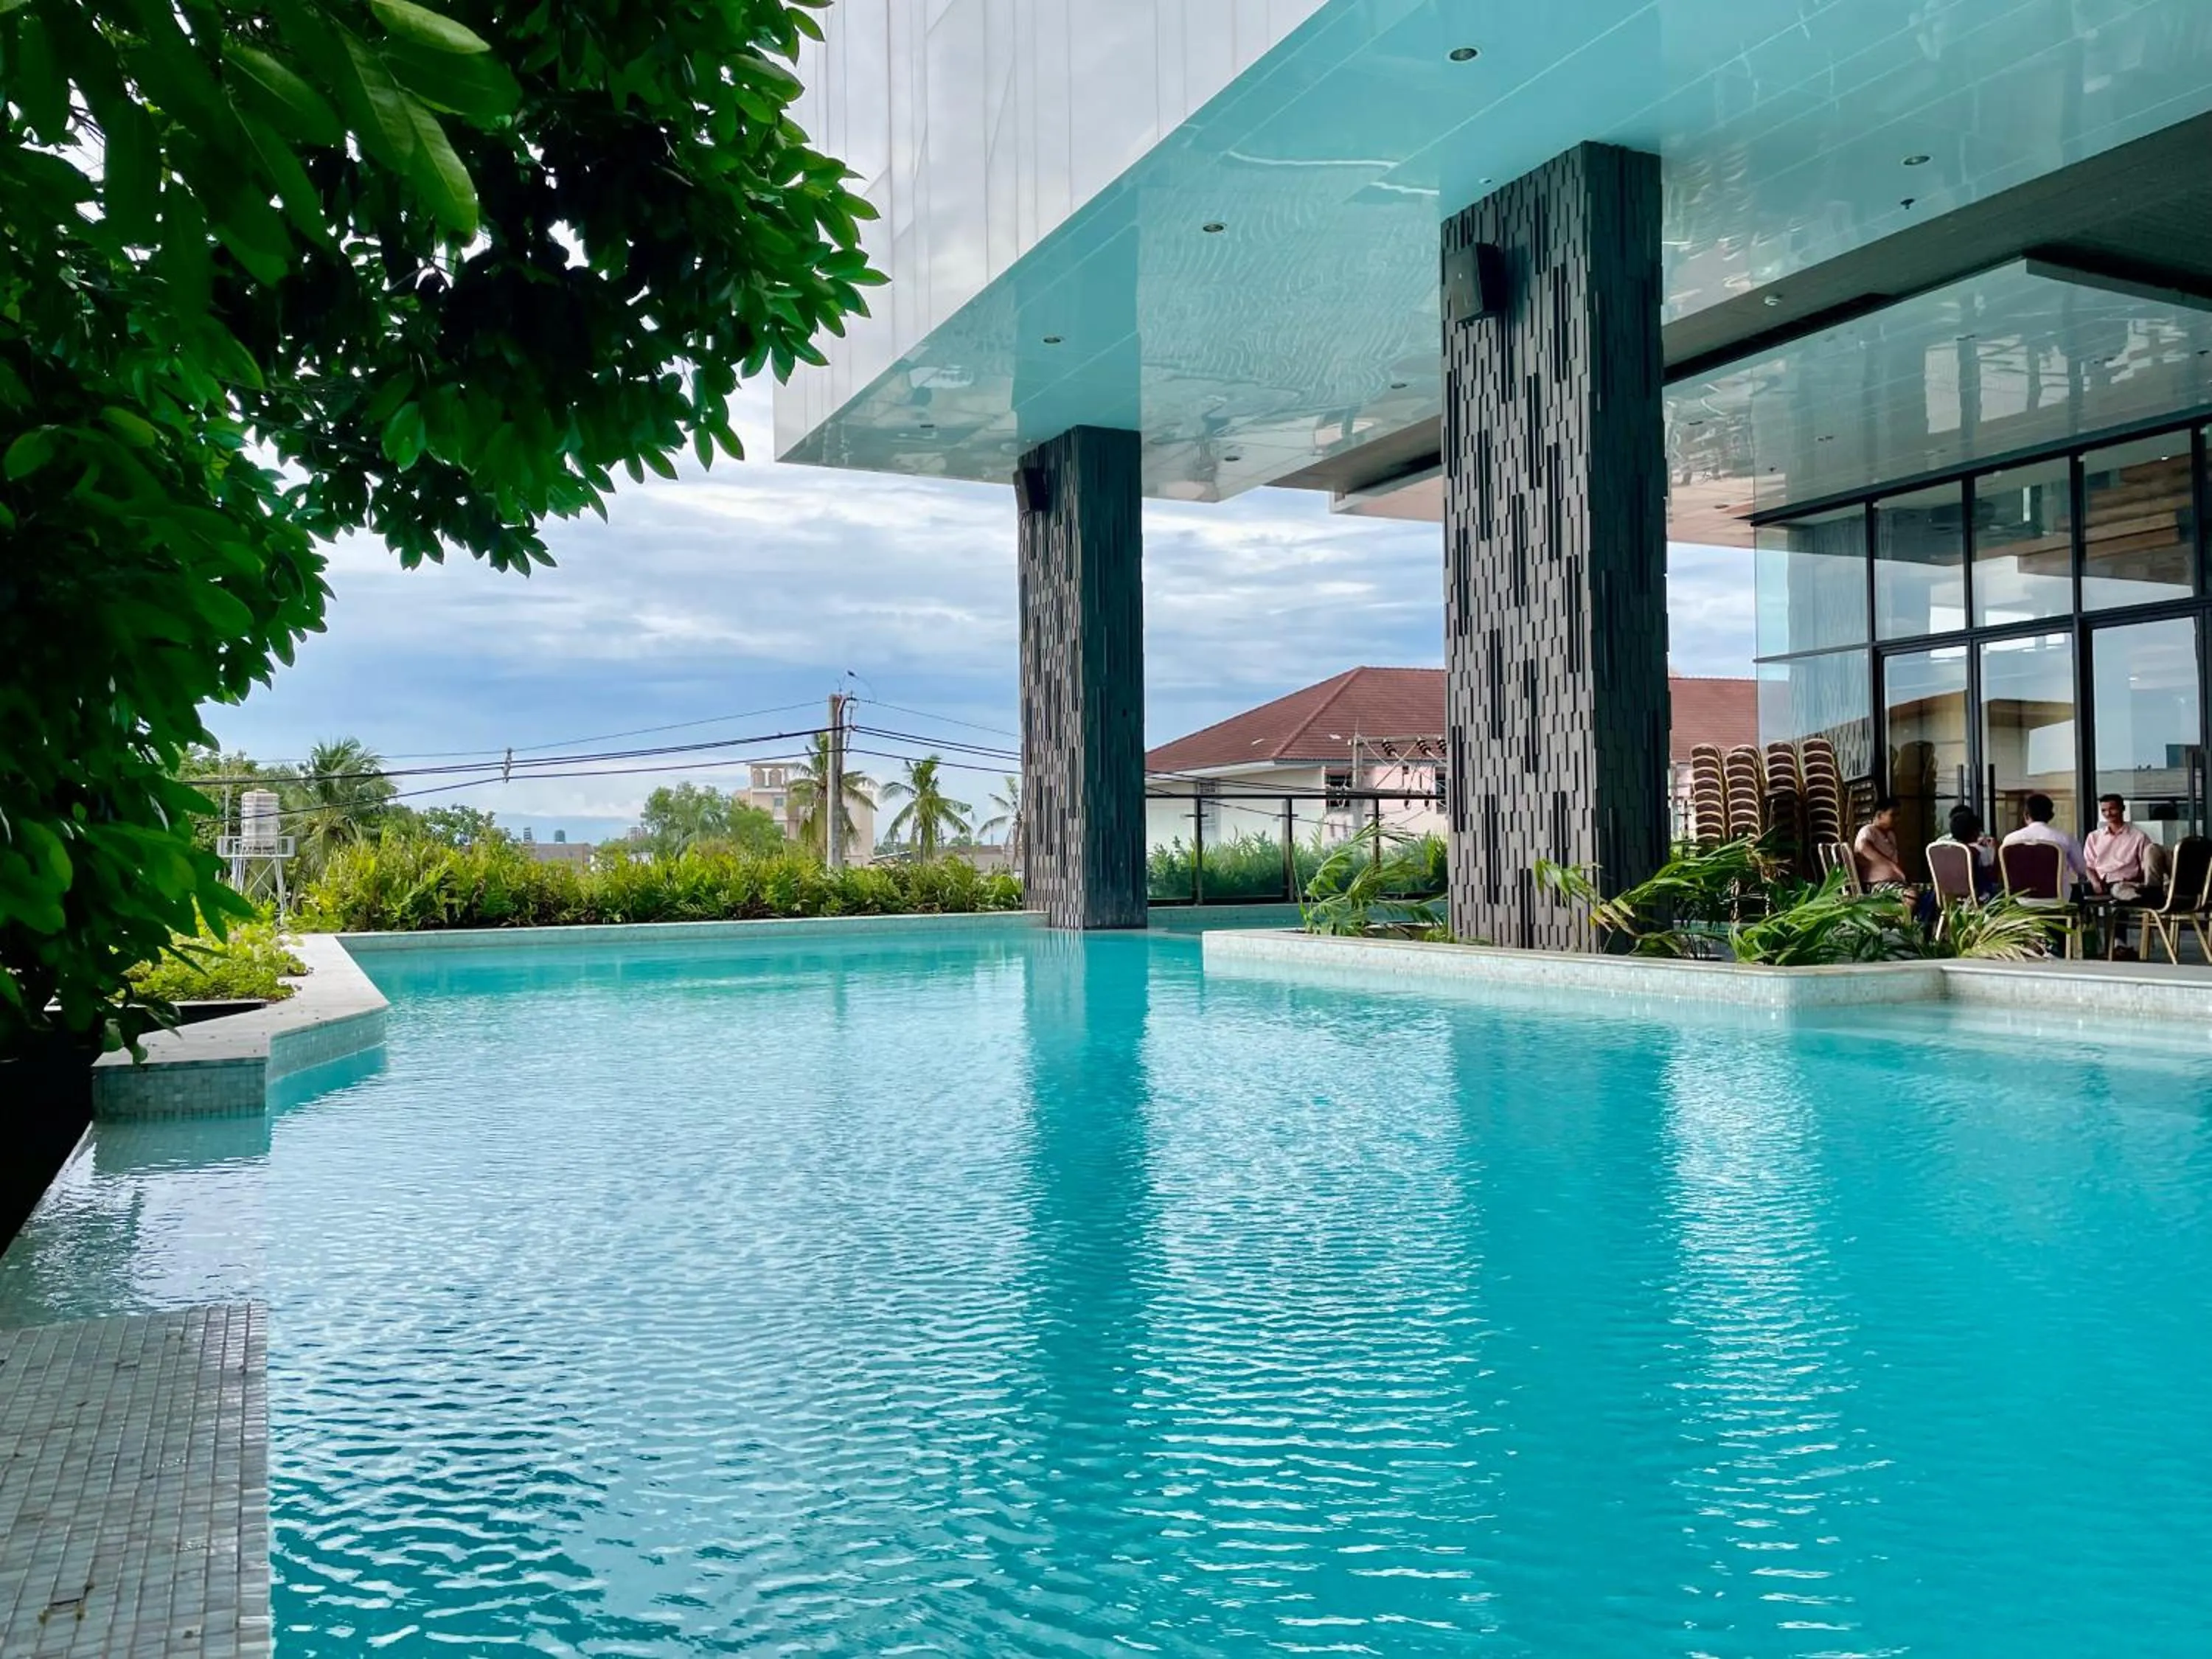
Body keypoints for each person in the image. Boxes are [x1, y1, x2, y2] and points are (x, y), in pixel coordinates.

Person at [2084, 793, 2161, 956]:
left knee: (2120, 893)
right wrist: (2095, 882)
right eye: (2104, 810)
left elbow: (2145, 867)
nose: (2108, 814)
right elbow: (2088, 866)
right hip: (2101, 881)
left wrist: (2134, 880)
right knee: (2074, 894)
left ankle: (2119, 945)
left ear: (2122, 809)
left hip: (2127, 881)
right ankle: (2081, 945)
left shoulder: (2138, 837)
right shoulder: (2094, 837)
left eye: (2112, 809)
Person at [2000, 792, 2095, 891]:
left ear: (2026, 815)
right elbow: (2081, 869)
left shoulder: (2010, 840)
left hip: (2019, 901)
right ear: (2051, 816)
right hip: (2058, 899)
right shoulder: (2065, 838)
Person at [1853, 796, 1909, 887]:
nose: (1897, 819)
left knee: (1933, 890)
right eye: (1893, 815)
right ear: (1879, 815)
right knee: (1911, 896)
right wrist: (1893, 866)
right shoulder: (1868, 830)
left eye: (1898, 815)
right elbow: (1863, 847)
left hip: (1895, 883)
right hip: (1876, 884)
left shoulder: (1891, 835)